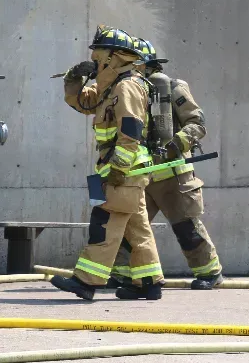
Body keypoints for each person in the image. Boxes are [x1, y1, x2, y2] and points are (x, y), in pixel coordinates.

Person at [50, 25, 165, 301]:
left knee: (105, 221)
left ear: (115, 56)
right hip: (123, 171)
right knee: (137, 228)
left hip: (123, 170)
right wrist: (74, 77)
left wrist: (117, 169)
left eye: (99, 53)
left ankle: (86, 281)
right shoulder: (111, 86)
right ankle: (148, 283)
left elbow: (131, 131)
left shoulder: (127, 86)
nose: (95, 58)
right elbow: (83, 103)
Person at [108, 38, 224, 290]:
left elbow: (197, 123)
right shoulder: (128, 89)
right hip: (141, 172)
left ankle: (210, 272)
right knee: (131, 227)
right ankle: (121, 274)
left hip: (173, 173)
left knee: (186, 228)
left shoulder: (172, 88)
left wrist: (176, 144)